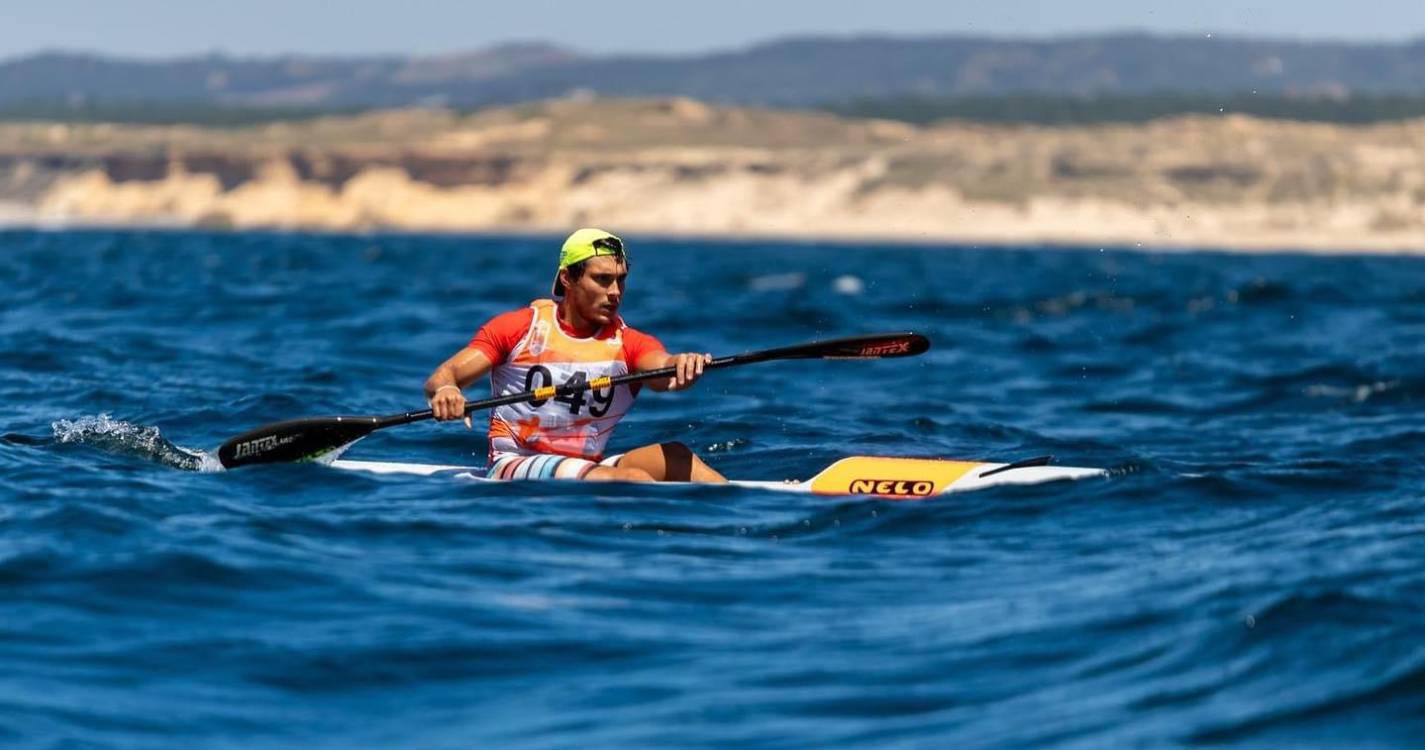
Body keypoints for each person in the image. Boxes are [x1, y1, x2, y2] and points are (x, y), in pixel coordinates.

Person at [424, 228, 728, 483]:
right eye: (602, 279)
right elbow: (443, 376)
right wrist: (448, 390)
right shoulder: (518, 328)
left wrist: (682, 366)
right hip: (514, 465)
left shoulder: (629, 342)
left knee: (677, 457)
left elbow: (664, 371)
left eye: (621, 279)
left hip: (588, 470)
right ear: (568, 279)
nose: (615, 292)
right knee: (629, 481)